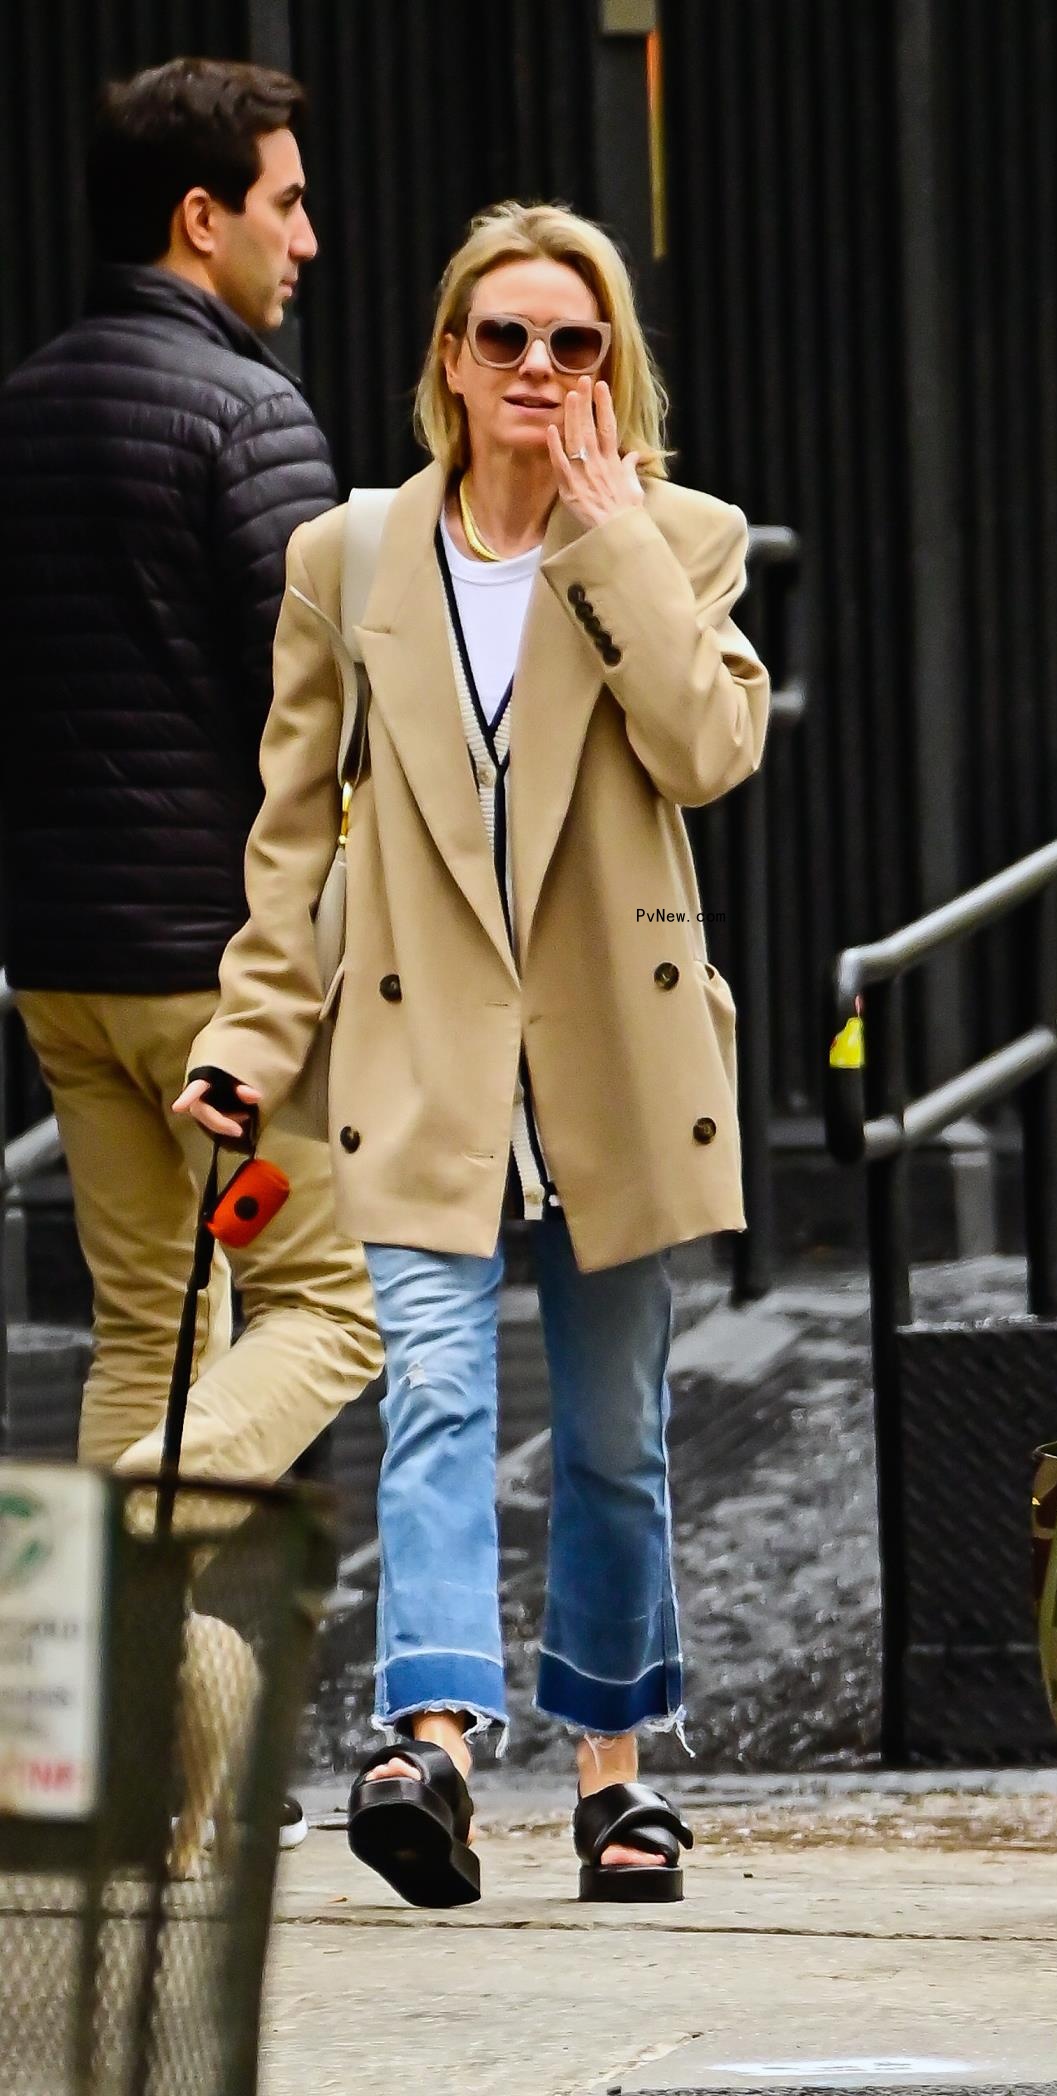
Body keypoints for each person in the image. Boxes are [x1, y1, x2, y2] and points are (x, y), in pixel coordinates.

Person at [178, 200, 769, 1908]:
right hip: (419, 1048)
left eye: (572, 343)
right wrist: (248, 1033)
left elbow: (710, 745)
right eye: (503, 336)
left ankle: (610, 1775)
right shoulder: (349, 557)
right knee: (434, 1391)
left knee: (611, 1433)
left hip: (619, 1049)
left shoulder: (684, 535)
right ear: (448, 355)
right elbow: (291, 837)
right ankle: (430, 1742)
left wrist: (609, 546)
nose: (536, 367)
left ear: (612, 367)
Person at [0, 58, 382, 1844]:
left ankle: (122, 1771)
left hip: (64, 971)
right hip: (220, 984)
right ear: (199, 217)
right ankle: (101, 1557)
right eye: (287, 203)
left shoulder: (21, 408)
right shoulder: (254, 420)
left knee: (146, 1324)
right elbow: (311, 730)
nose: (311, 237)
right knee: (325, 1309)